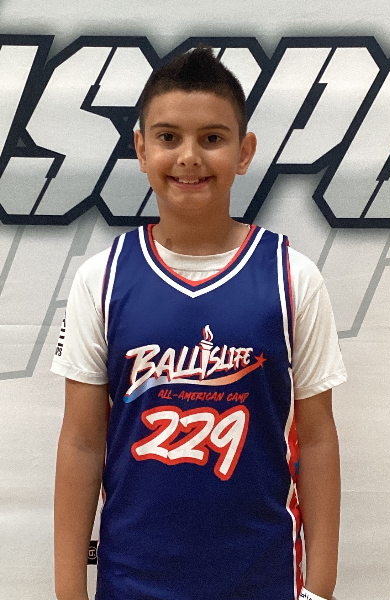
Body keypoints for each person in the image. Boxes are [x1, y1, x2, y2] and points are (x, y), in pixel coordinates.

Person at [52, 47, 347, 600]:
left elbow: (317, 439)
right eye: (168, 137)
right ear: (141, 150)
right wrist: (69, 591)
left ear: (244, 152)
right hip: (132, 582)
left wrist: (321, 589)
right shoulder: (102, 279)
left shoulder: (292, 276)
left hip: (262, 579)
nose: (189, 156)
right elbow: (82, 443)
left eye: (212, 138)